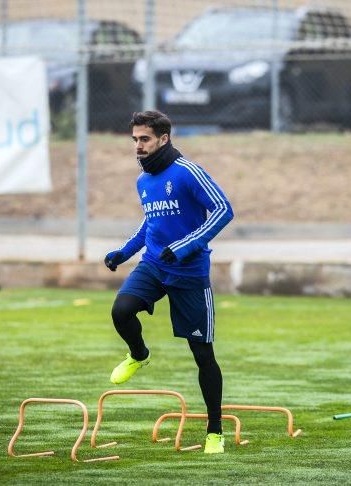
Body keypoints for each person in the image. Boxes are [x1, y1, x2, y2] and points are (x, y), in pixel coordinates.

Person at [104, 110, 234, 454]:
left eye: (144, 139)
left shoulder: (188, 172)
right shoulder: (143, 181)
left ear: (163, 139)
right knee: (121, 311)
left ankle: (215, 432)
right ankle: (139, 354)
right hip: (154, 266)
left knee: (203, 355)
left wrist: (185, 247)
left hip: (189, 273)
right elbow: (150, 225)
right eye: (134, 140)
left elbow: (223, 209)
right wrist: (123, 252)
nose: (138, 146)